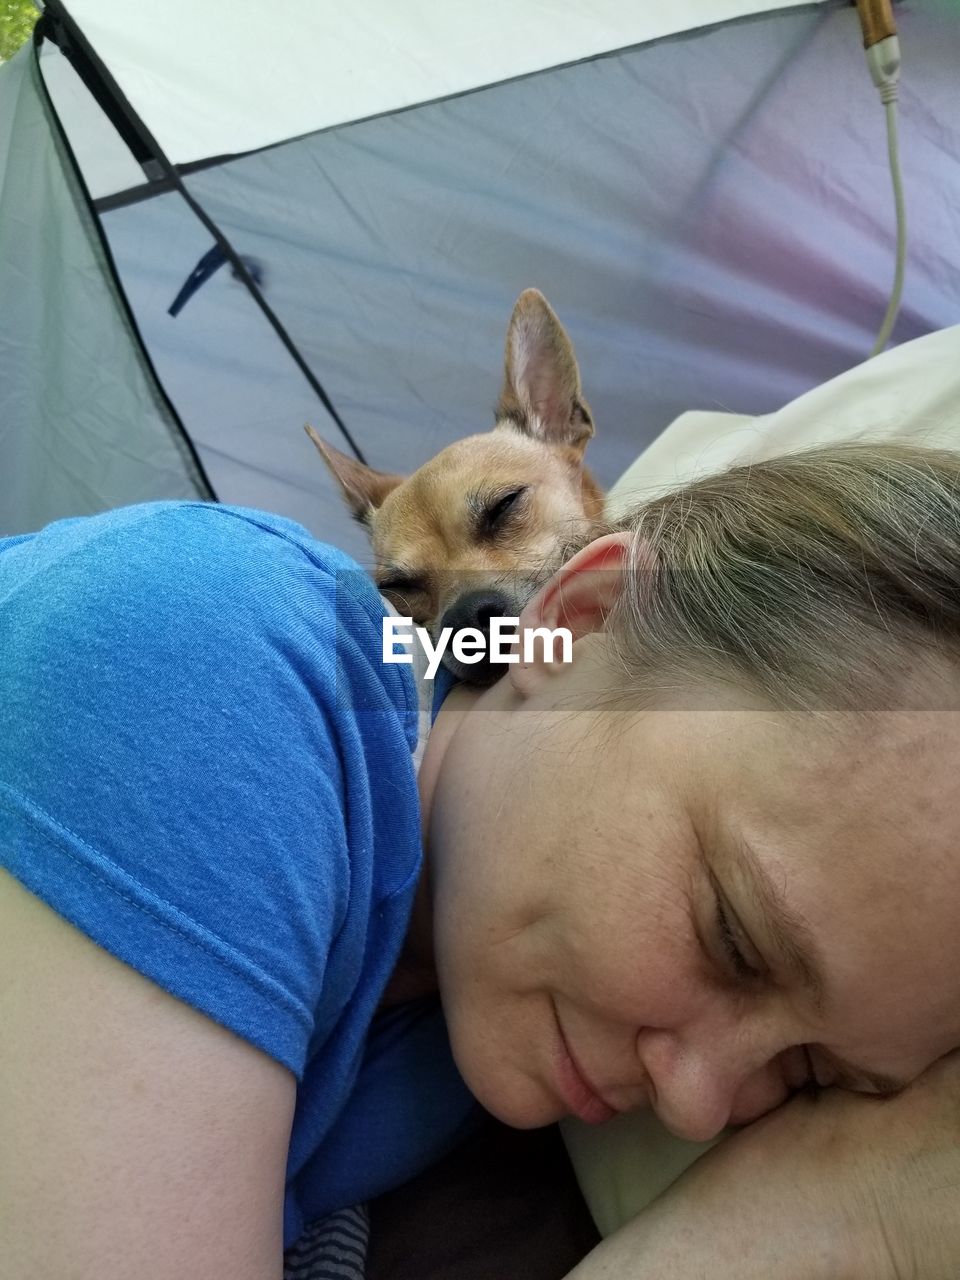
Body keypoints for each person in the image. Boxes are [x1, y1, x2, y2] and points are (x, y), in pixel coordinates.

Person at [2, 440, 960, 1279]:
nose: (695, 1106)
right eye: (734, 939)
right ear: (579, 625)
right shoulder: (212, 656)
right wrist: (836, 1221)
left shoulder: (457, 1030)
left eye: (806, 1075)